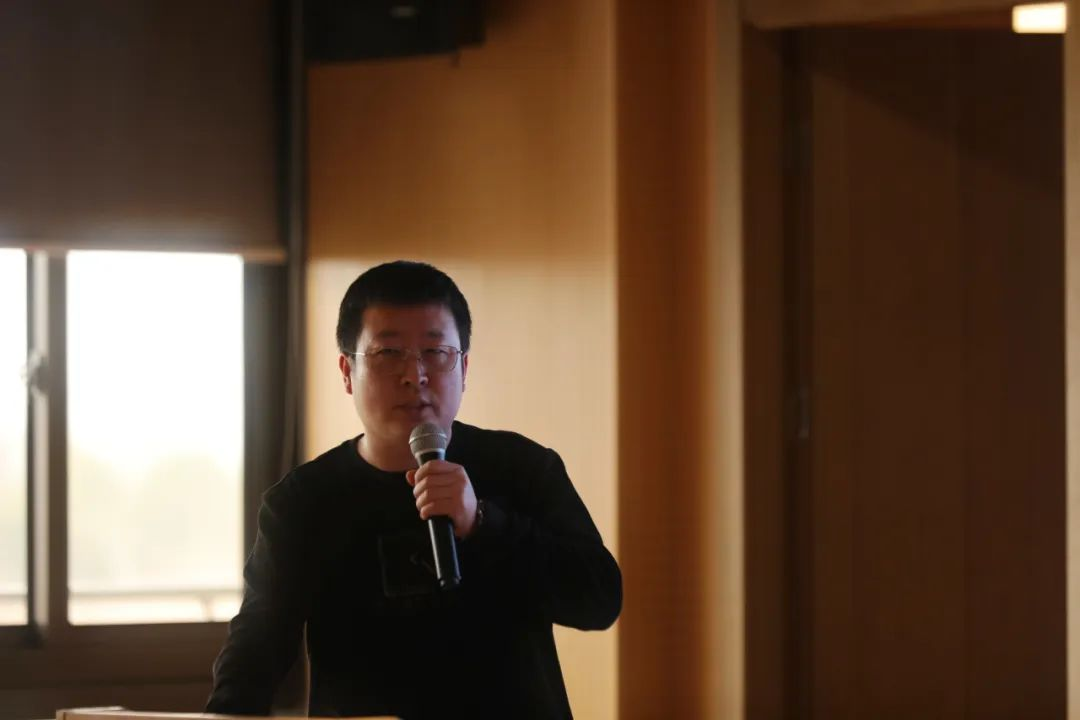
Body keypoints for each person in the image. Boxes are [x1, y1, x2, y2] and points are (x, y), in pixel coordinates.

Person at [205, 260, 622, 719]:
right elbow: (257, 646)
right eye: (388, 353)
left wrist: (483, 522)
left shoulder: (523, 467)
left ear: (464, 367)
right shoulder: (303, 503)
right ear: (346, 371)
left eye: (435, 352)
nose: (415, 374)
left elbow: (598, 600)